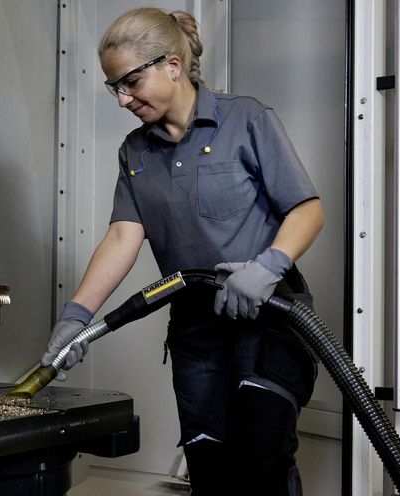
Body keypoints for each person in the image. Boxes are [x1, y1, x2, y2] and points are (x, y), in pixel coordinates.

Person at [41, 7, 324, 496]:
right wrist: (77, 316)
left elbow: (307, 209)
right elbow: (123, 236)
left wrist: (267, 267)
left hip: (268, 317)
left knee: (262, 457)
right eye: (114, 88)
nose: (123, 99)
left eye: (131, 82)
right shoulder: (135, 152)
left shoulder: (246, 119)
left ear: (172, 65)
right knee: (208, 464)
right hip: (195, 325)